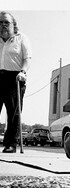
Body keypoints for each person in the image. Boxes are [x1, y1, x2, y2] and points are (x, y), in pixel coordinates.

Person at [0, 11, 32, 153]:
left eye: (6, 22)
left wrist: (23, 72)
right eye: (0, 23)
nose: (3, 25)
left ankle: (11, 144)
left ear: (14, 25)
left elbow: (27, 58)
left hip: (15, 77)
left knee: (13, 112)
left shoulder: (21, 38)